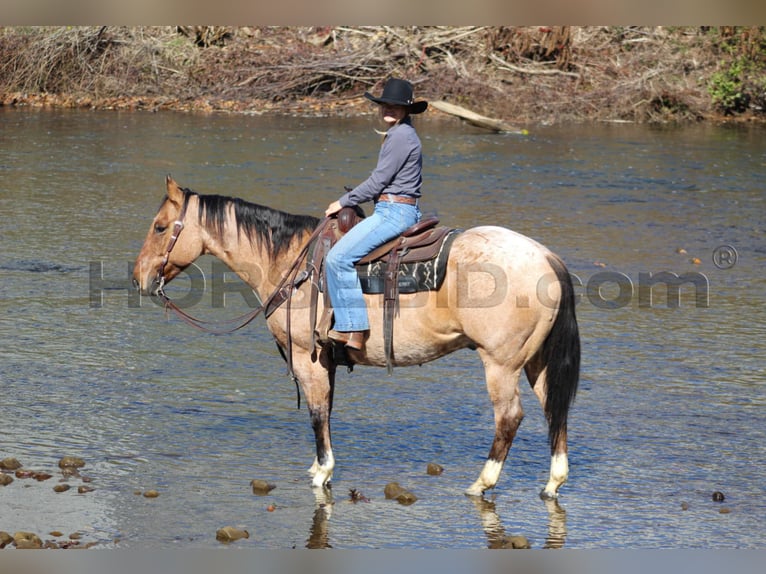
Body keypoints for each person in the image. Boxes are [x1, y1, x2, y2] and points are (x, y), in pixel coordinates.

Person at [324, 78, 428, 351]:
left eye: (396, 106)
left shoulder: (400, 137)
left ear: (407, 110)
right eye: (384, 105)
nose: (388, 110)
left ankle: (353, 328)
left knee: (337, 258)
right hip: (395, 207)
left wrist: (343, 201)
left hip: (394, 212)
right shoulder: (401, 134)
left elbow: (378, 182)